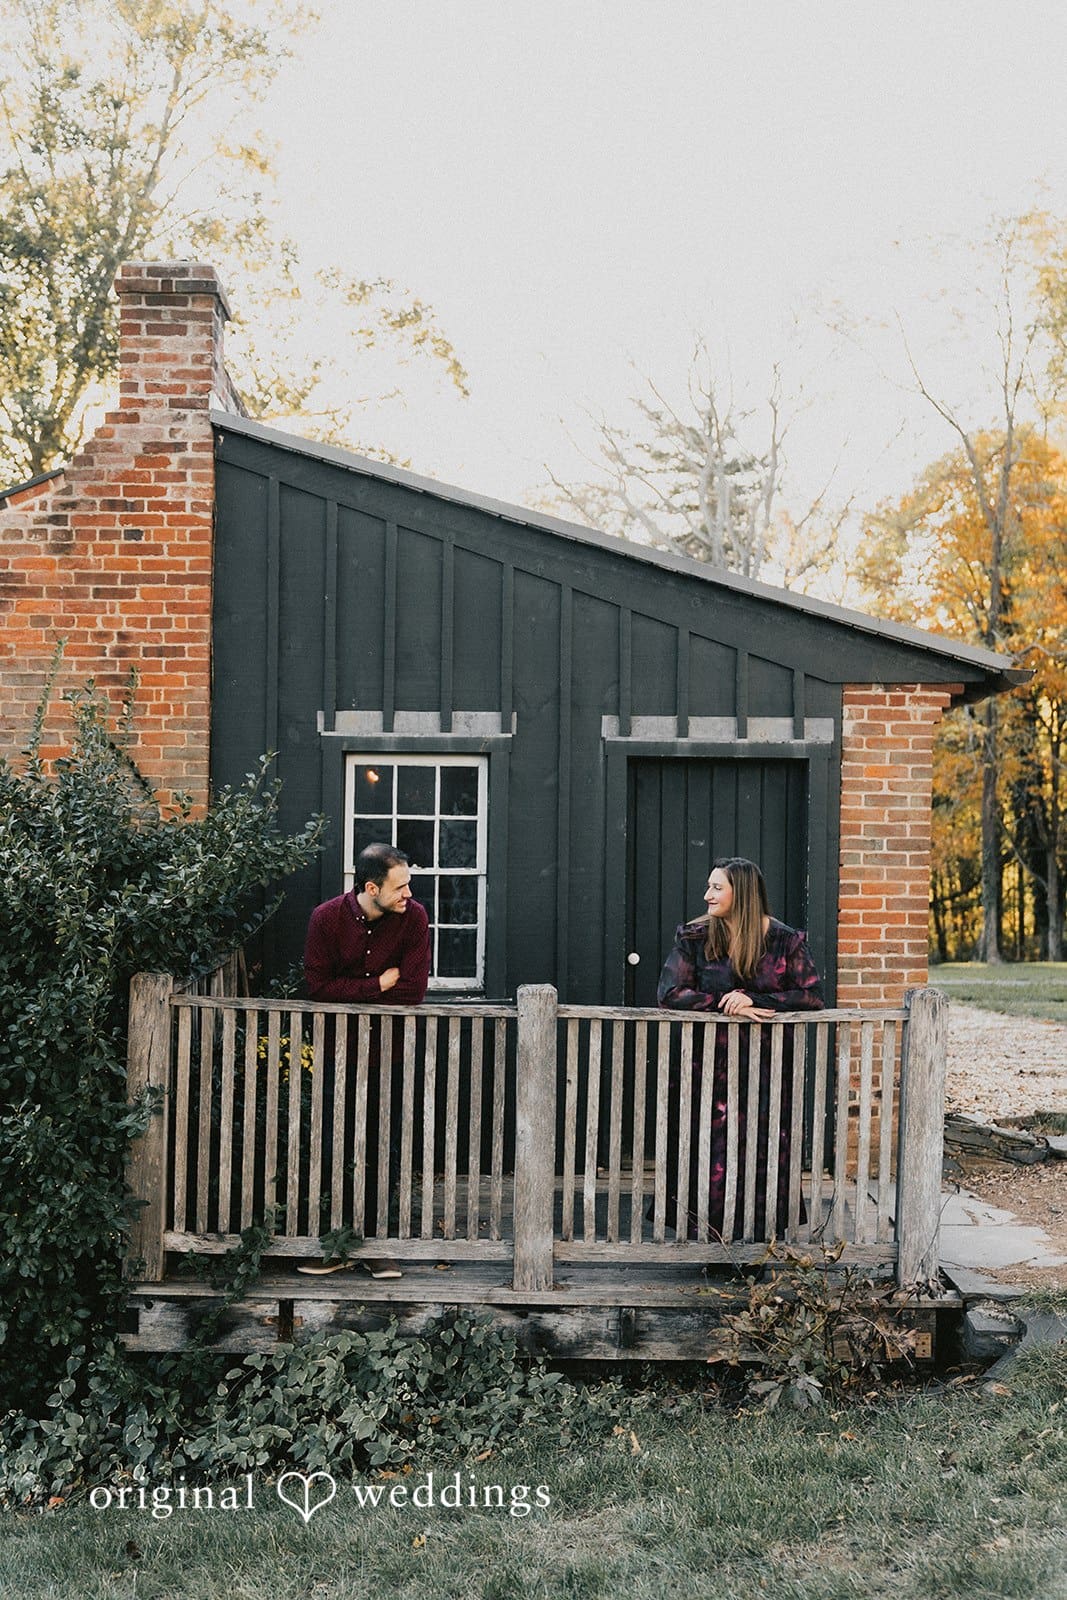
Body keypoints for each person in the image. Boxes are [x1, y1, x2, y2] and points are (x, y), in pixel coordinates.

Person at [656, 856, 824, 1243]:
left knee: (762, 1146)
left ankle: (759, 1238)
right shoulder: (696, 937)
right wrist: (723, 1003)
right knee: (710, 1147)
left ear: (742, 893)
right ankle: (712, 1239)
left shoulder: (785, 941)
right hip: (708, 1065)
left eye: (717, 888)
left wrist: (754, 999)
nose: (707, 895)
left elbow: (812, 996)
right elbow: (669, 993)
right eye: (709, 886)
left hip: (766, 1066)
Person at [301, 844, 431, 1278]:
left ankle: (375, 1245)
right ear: (371, 887)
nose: (408, 894)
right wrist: (376, 985)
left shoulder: (414, 918)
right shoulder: (326, 919)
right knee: (331, 1146)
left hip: (389, 1053)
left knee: (382, 1148)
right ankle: (335, 1243)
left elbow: (412, 991)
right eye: (400, 886)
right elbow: (318, 988)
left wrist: (353, 988)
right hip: (336, 1053)